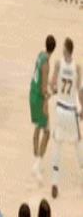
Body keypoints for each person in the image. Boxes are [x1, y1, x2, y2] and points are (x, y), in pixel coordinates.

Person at [50, 37, 83, 199]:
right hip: (70, 110)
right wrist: (82, 108)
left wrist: (55, 90)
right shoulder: (77, 68)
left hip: (60, 109)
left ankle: (55, 183)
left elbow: (52, 84)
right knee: (78, 143)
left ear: (66, 49)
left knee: (57, 145)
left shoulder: (58, 64)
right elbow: (80, 92)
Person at [30, 35, 56, 183]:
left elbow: (40, 80)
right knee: (47, 132)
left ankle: (36, 161)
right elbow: (43, 89)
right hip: (39, 99)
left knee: (37, 128)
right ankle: (37, 164)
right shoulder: (46, 64)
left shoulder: (40, 55)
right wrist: (50, 95)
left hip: (32, 94)